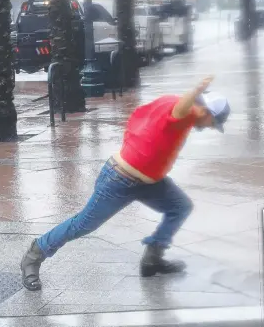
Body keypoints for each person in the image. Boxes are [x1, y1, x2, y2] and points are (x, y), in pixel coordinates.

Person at [20, 77, 231, 290]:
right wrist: (196, 91)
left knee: (180, 206)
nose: (211, 128)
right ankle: (34, 255)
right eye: (213, 123)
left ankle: (152, 259)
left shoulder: (172, 104)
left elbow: (141, 118)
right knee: (83, 224)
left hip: (150, 182)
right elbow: (180, 109)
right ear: (206, 112)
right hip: (119, 180)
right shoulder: (186, 112)